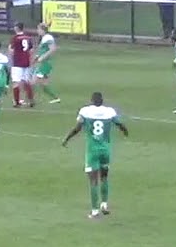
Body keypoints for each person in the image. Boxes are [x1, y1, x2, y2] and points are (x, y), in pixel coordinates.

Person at [63, 91, 129, 219]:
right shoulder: (109, 111)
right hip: (105, 150)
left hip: (92, 151)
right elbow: (119, 124)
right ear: (102, 101)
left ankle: (94, 211)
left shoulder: (85, 111)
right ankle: (104, 204)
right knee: (104, 176)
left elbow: (77, 128)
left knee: (93, 181)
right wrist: (125, 131)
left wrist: (67, 138)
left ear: (92, 101)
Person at [31, 22, 61, 104]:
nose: (37, 31)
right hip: (43, 63)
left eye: (38, 29)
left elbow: (53, 49)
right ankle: (56, 98)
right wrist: (36, 59)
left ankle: (31, 100)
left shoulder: (48, 37)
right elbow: (42, 51)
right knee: (43, 84)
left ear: (43, 30)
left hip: (45, 64)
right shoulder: (43, 38)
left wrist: (42, 58)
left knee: (32, 82)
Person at [9, 22, 35, 107]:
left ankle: (16, 102)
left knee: (16, 82)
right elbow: (31, 50)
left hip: (17, 63)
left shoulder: (15, 38)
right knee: (27, 82)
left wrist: (12, 58)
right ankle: (31, 101)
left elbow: (12, 51)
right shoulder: (28, 38)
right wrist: (30, 60)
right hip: (26, 62)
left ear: (17, 28)